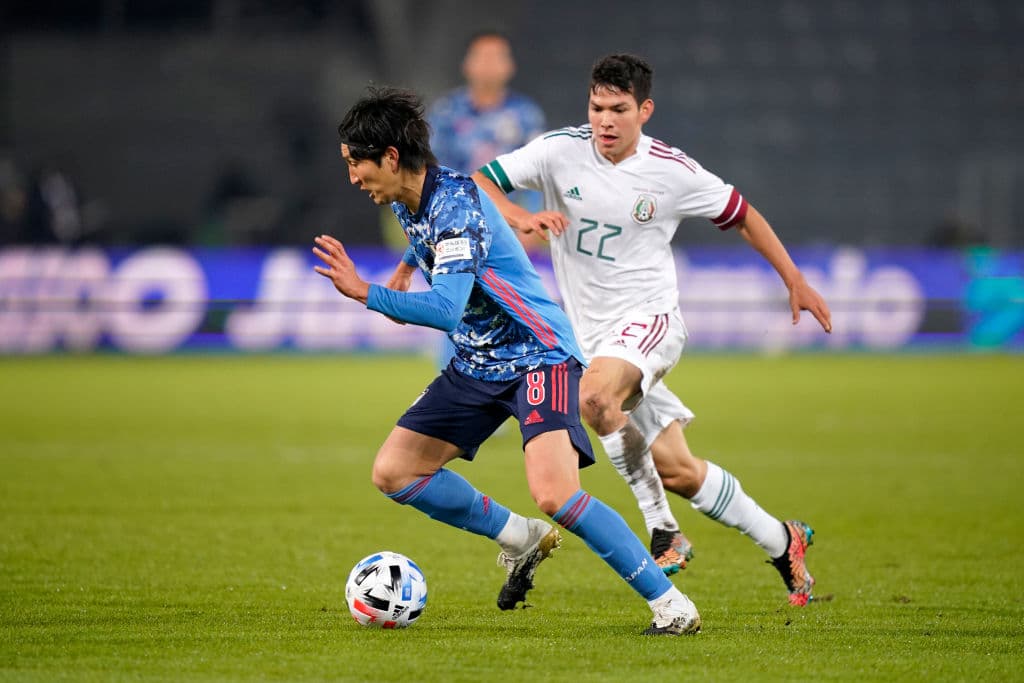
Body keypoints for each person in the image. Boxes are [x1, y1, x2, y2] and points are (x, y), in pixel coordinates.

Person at [313, 86, 701, 635]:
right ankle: (519, 538)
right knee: (395, 472)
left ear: (391, 158)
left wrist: (365, 292)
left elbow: (447, 309)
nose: (353, 176)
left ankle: (671, 605)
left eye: (357, 163)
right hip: (479, 360)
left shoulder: (455, 206)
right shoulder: (408, 195)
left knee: (556, 494)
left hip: (536, 353)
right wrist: (405, 264)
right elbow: (433, 240)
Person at [470, 54, 832, 606]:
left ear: (645, 110)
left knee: (594, 399)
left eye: (619, 109)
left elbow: (743, 215)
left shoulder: (673, 171)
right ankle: (783, 541)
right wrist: (520, 217)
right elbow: (481, 182)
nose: (605, 121)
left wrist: (795, 280)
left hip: (650, 321)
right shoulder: (558, 150)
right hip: (590, 338)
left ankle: (664, 530)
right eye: (597, 108)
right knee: (679, 470)